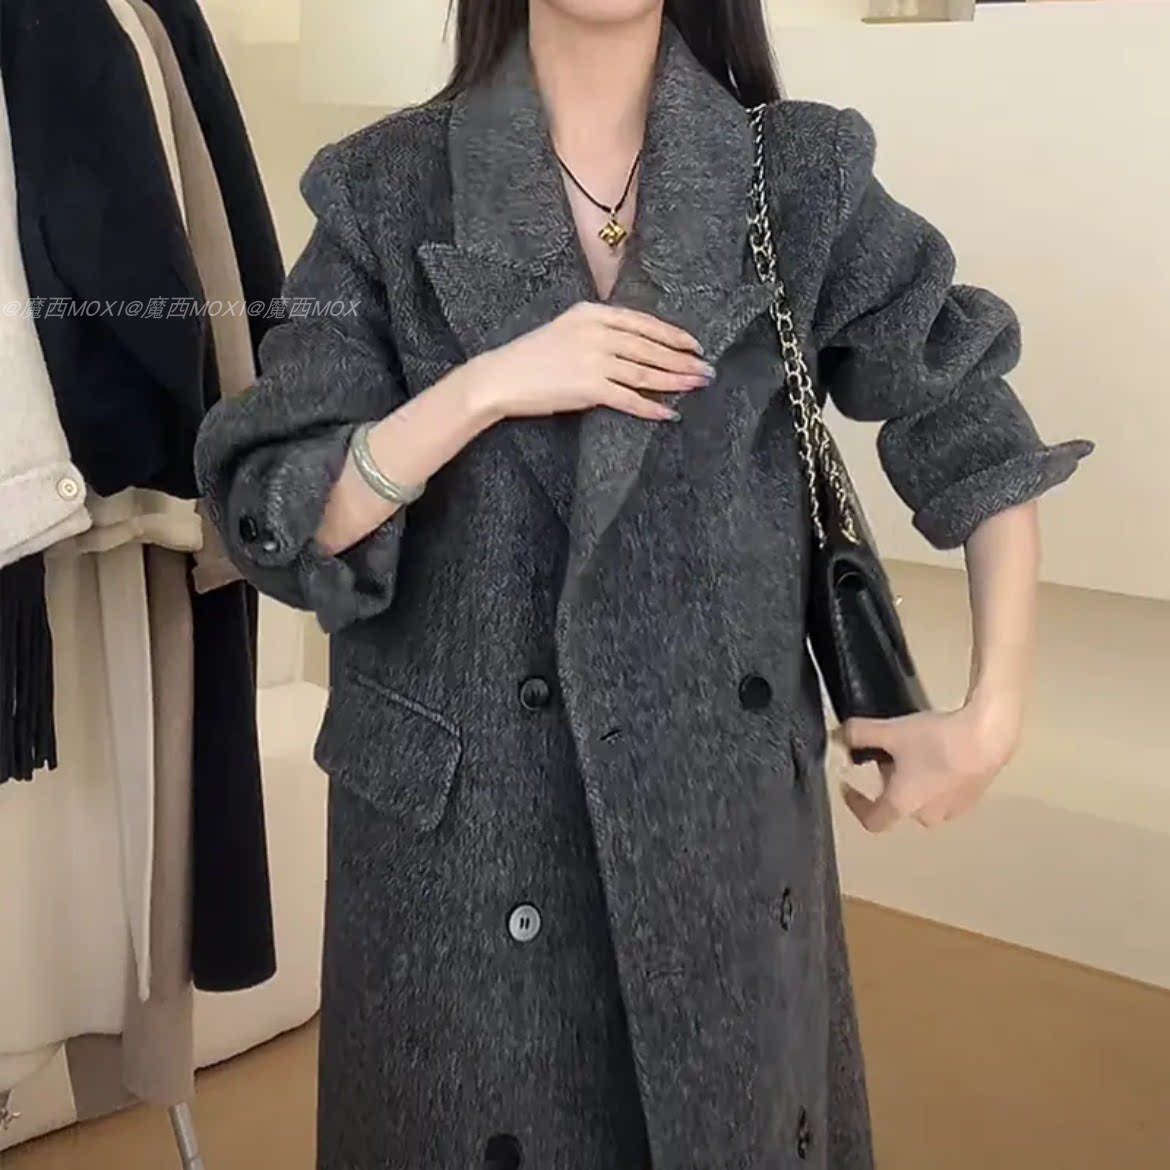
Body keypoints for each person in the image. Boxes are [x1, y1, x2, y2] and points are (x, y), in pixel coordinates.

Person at [194, 2, 1091, 1167]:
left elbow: (969, 417)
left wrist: (993, 715)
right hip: (470, 839)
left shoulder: (795, 174)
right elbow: (274, 510)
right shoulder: (383, 187)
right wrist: (483, 389)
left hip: (715, 820)